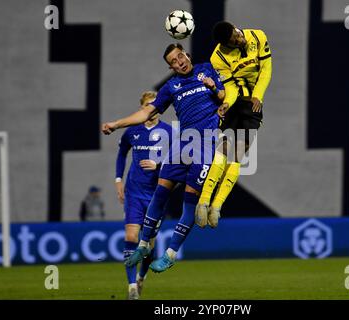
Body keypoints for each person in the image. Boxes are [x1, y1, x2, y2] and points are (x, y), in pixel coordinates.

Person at [102, 43, 225, 273]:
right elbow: (147, 112)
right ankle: (143, 245)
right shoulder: (171, 86)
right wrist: (116, 124)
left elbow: (225, 95)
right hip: (182, 146)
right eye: (173, 62)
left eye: (180, 56)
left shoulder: (208, 69)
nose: (179, 62)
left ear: (187, 54)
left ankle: (170, 254)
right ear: (171, 67)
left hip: (204, 148)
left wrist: (222, 101)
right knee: (160, 194)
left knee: (190, 205)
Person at [195, 21, 273, 228]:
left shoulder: (258, 36)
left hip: (252, 104)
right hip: (235, 103)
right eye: (234, 40)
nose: (240, 39)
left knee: (239, 154)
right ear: (226, 45)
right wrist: (227, 103)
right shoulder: (218, 58)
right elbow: (230, 87)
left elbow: (265, 70)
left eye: (237, 34)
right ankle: (203, 202)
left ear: (237, 28)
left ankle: (217, 206)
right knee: (223, 150)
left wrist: (257, 95)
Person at [115, 91, 173, 299]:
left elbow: (178, 160)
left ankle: (141, 277)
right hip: (135, 192)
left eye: (156, 105)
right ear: (142, 108)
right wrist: (118, 180)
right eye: (148, 105)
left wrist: (157, 165)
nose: (153, 109)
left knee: (148, 245)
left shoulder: (169, 131)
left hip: (158, 195)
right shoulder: (133, 131)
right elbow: (122, 154)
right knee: (131, 236)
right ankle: (132, 288)